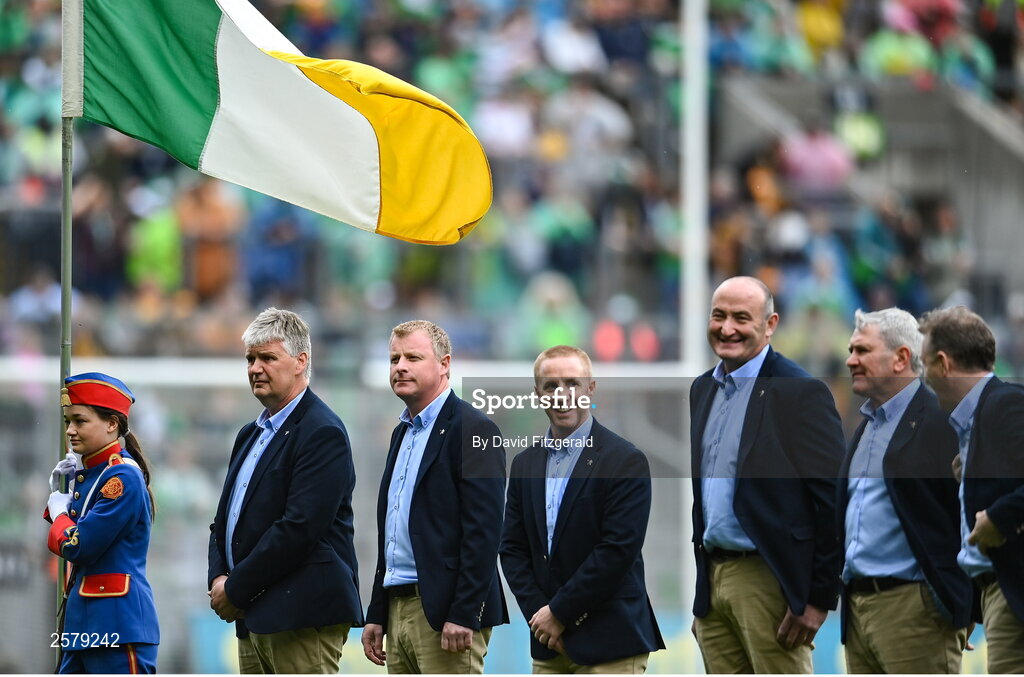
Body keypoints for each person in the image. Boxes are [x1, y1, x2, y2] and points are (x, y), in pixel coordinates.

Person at [690, 276, 845, 673]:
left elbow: (830, 500)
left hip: (770, 580)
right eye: (719, 315)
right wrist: (704, 593)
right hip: (714, 581)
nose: (727, 328)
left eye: (742, 317)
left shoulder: (799, 390)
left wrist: (817, 598)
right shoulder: (702, 389)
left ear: (770, 324)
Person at [207, 308, 362, 673]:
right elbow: (223, 522)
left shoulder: (322, 431)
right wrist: (218, 579)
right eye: (250, 359)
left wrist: (235, 589)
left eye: (267, 358)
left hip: (301, 615)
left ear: (300, 362)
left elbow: (299, 528)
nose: (255, 368)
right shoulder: (250, 433)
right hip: (254, 615)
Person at [500, 345, 664, 673]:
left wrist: (559, 613)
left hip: (611, 642)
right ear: (537, 395)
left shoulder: (624, 460)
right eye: (550, 386)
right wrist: (542, 617)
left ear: (591, 388)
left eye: (572, 383)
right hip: (549, 646)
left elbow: (618, 550)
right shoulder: (524, 464)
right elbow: (512, 550)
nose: (562, 394)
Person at [362, 320, 507, 673]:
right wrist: (378, 611)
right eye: (394, 359)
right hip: (398, 609)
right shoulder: (401, 434)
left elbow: (485, 532)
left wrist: (464, 612)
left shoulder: (476, 429)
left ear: (444, 364)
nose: (400, 366)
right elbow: (393, 534)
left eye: (413, 357)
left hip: (445, 615)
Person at [838, 308, 971, 672]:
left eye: (862, 351)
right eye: (851, 350)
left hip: (916, 610)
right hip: (858, 610)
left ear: (901, 358)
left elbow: (972, 509)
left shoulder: (945, 420)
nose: (851, 360)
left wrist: (963, 599)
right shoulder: (865, 426)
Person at [919, 306, 1024, 673]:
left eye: (925, 363)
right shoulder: (976, 423)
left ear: (944, 364)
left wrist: (999, 518)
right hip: (995, 592)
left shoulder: (1006, 404)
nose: (923, 376)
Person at [45, 372, 160, 673]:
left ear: (112, 424)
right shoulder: (95, 474)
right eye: (68, 421)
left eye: (80, 421)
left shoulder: (121, 478)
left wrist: (60, 513)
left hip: (118, 627)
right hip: (84, 629)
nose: (70, 430)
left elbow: (79, 545)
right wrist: (68, 491)